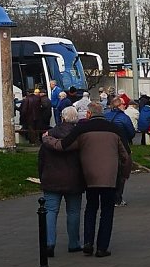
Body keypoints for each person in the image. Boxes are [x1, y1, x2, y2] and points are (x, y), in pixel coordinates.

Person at [42, 102, 131, 258]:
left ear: (89, 114)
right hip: (110, 178)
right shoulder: (115, 130)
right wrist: (124, 175)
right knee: (107, 212)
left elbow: (63, 145)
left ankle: (88, 243)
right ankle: (102, 248)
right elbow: (126, 156)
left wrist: (47, 139)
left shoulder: (82, 130)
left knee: (91, 208)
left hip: (90, 177)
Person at [38, 106, 85, 257]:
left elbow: (41, 160)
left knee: (50, 211)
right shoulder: (79, 137)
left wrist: (42, 176)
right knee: (73, 212)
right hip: (74, 179)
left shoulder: (49, 135)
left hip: (51, 178)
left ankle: (49, 243)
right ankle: (74, 243)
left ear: (62, 118)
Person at [104, 97, 135, 206]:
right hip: (122, 146)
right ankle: (118, 198)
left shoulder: (105, 116)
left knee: (108, 172)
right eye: (123, 104)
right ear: (118, 105)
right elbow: (131, 133)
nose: (125, 105)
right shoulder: (124, 118)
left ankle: (108, 197)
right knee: (121, 173)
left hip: (107, 147)